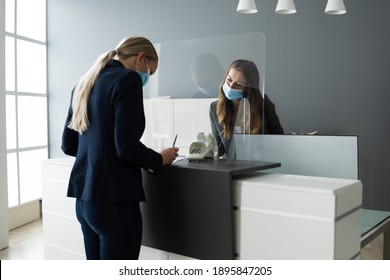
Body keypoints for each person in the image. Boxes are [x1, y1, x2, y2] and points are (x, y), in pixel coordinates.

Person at [61, 36, 179, 260]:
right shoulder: (128, 80)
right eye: (149, 72)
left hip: (84, 203)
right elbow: (126, 146)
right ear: (140, 58)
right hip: (115, 201)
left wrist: (102, 152)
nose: (147, 78)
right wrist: (159, 159)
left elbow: (68, 145)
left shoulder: (84, 83)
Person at [209, 59, 284, 157]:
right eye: (229, 79)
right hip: (232, 167)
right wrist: (207, 152)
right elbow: (219, 146)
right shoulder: (214, 108)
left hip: (262, 164)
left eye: (238, 84)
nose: (231, 86)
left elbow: (279, 138)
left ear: (249, 88)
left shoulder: (263, 104)